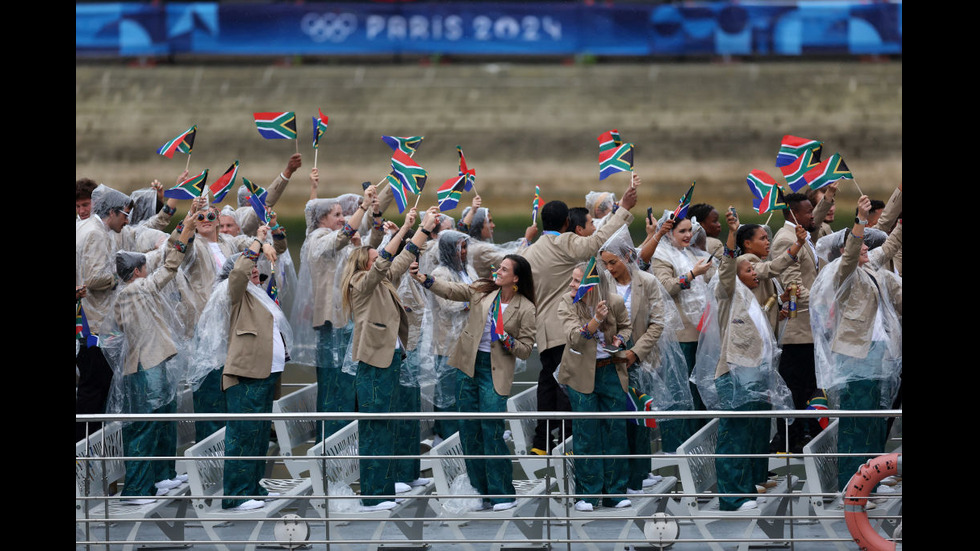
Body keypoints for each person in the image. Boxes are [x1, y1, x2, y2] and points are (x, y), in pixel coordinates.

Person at [520, 174, 639, 454]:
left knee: (548, 383)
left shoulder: (529, 251)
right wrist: (623, 208)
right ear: (566, 225)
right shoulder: (563, 243)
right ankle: (567, 442)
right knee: (569, 386)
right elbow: (596, 241)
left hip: (543, 330)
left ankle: (542, 442)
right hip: (567, 326)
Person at [413, 254, 536, 511]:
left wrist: (508, 341)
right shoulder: (483, 290)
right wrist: (425, 279)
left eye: (504, 269)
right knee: (469, 430)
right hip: (468, 366)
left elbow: (525, 349)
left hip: (494, 371)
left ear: (515, 278)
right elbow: (452, 290)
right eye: (499, 267)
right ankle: (480, 493)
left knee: (491, 430)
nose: (498, 271)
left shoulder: (526, 307)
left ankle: (502, 494)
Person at [693, 208, 794, 511]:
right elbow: (726, 270)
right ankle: (730, 497)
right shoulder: (728, 292)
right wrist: (732, 237)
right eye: (749, 269)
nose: (754, 273)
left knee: (750, 433)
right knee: (734, 435)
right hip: (734, 374)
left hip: (755, 375)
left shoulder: (752, 299)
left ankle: (748, 488)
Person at [340, 206, 438, 511]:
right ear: (365, 265)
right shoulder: (361, 283)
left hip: (391, 360)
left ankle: (384, 487)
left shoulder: (382, 281)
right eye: (375, 259)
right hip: (373, 363)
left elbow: (403, 258)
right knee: (375, 427)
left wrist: (417, 228)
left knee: (387, 424)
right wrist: (402, 233)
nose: (381, 262)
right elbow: (384, 262)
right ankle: (374, 494)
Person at [809, 196, 902, 492]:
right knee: (856, 423)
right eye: (860, 244)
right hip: (854, 358)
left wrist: (900, 223)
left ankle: (872, 476)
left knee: (875, 419)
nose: (866, 248)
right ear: (844, 249)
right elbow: (852, 254)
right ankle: (853, 485)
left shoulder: (871, 268)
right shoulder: (843, 273)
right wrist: (860, 219)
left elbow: (888, 248)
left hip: (877, 354)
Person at [103, 215, 197, 503]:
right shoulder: (135, 290)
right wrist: (187, 229)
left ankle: (157, 477)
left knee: (160, 421)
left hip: (152, 361)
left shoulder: (130, 292)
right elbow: (169, 266)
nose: (148, 269)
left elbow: (162, 262)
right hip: (146, 365)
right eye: (144, 266)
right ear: (137, 271)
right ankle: (136, 490)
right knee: (145, 427)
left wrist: (184, 229)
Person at [598, 226, 688, 493]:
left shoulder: (647, 282)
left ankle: (638, 475)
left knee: (638, 418)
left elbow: (658, 324)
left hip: (641, 358)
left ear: (627, 257)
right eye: (605, 263)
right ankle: (618, 476)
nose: (610, 268)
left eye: (613, 262)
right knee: (614, 419)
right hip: (609, 359)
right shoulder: (603, 281)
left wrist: (635, 353)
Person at [292, 172, 381, 438]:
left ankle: (345, 448)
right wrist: (363, 207)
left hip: (346, 320)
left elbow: (361, 258)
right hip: (331, 324)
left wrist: (371, 216)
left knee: (348, 386)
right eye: (337, 215)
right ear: (321, 219)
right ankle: (329, 451)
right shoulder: (317, 240)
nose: (343, 219)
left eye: (344, 214)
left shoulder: (333, 240)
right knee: (334, 390)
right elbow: (341, 237)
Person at [220, 226, 292, 511]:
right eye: (250, 265)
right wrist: (257, 242)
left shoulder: (260, 292)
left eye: (255, 266)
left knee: (259, 434)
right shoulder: (236, 293)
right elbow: (238, 273)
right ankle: (235, 495)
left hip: (267, 372)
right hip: (246, 372)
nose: (253, 270)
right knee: (243, 434)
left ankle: (253, 487)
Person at [557, 263, 632, 511]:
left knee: (615, 432)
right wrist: (596, 319)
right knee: (586, 433)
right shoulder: (567, 303)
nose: (571, 284)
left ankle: (615, 492)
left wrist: (621, 338)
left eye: (577, 281)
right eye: (572, 279)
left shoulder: (614, 300)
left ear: (592, 285)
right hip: (580, 373)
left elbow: (626, 325)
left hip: (610, 369)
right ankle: (587, 495)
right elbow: (574, 338)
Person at [650, 212, 713, 451]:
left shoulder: (687, 252)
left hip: (699, 331)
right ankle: (678, 449)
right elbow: (666, 287)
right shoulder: (661, 256)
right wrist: (693, 274)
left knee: (697, 392)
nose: (688, 235)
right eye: (682, 231)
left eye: (690, 230)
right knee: (679, 391)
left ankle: (699, 446)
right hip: (678, 335)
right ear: (669, 233)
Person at [768, 192, 823, 453]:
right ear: (794, 214)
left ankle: (805, 438)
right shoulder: (785, 240)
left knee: (808, 388)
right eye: (808, 211)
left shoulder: (801, 235)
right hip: (796, 330)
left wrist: (830, 197)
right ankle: (789, 443)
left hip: (808, 328)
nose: (813, 215)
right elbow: (793, 288)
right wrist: (826, 300)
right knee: (795, 390)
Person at [426, 230, 479, 441]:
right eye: (460, 248)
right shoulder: (440, 273)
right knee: (448, 395)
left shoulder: (469, 270)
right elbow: (447, 303)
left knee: (465, 392)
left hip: (468, 341)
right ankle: (446, 438)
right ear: (449, 250)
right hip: (447, 343)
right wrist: (471, 302)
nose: (464, 252)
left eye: (465, 247)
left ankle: (464, 437)